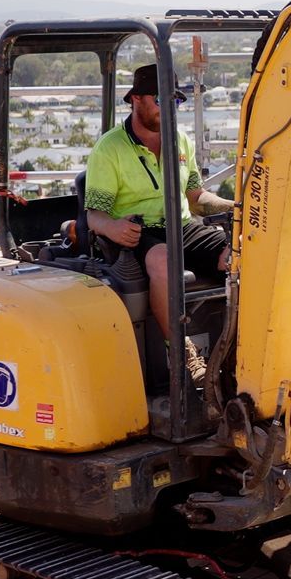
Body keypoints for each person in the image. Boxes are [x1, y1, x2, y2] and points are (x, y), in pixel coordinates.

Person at [83, 63, 234, 383]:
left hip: (181, 225)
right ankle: (181, 351)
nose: (170, 108)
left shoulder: (181, 141)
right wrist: (112, 227)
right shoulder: (109, 149)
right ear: (136, 100)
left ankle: (235, 349)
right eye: (160, 99)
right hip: (138, 232)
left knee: (239, 253)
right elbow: (94, 215)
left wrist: (234, 207)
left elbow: (195, 197)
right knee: (164, 261)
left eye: (176, 101)